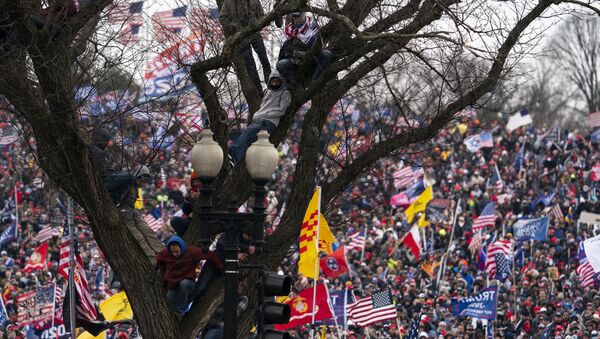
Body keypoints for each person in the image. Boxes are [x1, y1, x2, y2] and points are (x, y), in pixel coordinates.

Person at [229, 70, 291, 163]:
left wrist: (264, 114)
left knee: (247, 133)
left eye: (277, 81)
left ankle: (233, 151)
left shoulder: (285, 93)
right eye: (273, 81)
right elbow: (263, 106)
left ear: (281, 81)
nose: (275, 83)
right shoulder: (267, 91)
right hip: (259, 119)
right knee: (249, 141)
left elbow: (281, 110)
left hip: (268, 122)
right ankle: (237, 160)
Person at [108, 165, 164, 264]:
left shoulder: (135, 186)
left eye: (144, 181)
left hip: (133, 212)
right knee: (139, 239)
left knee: (149, 232)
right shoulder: (126, 184)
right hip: (124, 214)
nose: (142, 182)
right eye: (142, 179)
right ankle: (154, 261)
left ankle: (163, 254)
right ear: (137, 176)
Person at [156, 235, 222, 316]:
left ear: (182, 248)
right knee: (168, 305)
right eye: (172, 252)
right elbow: (160, 262)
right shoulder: (164, 253)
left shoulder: (191, 251)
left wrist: (219, 267)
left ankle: (179, 312)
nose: (174, 254)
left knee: (184, 284)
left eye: (177, 251)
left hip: (188, 284)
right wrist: (164, 275)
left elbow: (210, 254)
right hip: (173, 285)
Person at [219, 0, 271, 92]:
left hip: (254, 32)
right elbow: (222, 18)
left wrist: (258, 23)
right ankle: (259, 92)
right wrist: (233, 27)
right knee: (250, 66)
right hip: (241, 36)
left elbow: (261, 15)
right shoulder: (228, 2)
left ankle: (271, 85)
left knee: (264, 59)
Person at [276, 12, 333, 87]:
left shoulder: (313, 27)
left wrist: (310, 54)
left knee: (327, 54)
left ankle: (314, 81)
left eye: (299, 17)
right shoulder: (288, 31)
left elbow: (319, 47)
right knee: (281, 64)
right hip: (295, 61)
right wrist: (301, 54)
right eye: (295, 18)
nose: (297, 20)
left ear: (303, 16)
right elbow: (286, 50)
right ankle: (294, 86)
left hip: (313, 59)